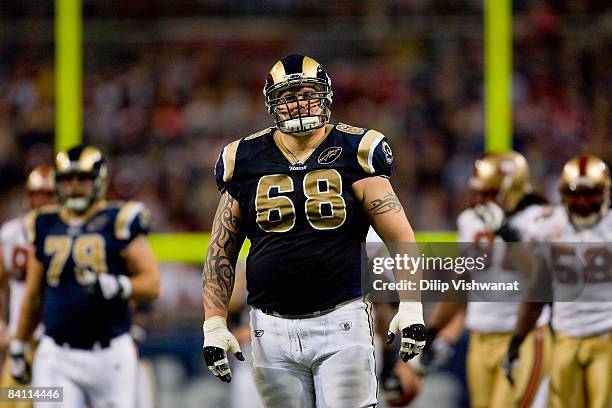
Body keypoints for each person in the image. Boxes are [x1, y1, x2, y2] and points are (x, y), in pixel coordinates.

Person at [201, 54, 425, 407]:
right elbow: (221, 250)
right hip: (268, 328)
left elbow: (399, 236)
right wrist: (214, 323)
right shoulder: (242, 158)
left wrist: (411, 305)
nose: (300, 103)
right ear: (273, 104)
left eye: (307, 93)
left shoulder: (358, 150)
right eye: (289, 97)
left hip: (342, 322)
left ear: (325, 96)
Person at [10, 145, 161, 408]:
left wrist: (117, 285)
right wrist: (19, 345)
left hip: (109, 354)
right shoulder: (44, 223)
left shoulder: (119, 220)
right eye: (68, 179)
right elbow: (34, 296)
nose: (75, 186)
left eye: (82, 179)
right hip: (56, 354)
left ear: (99, 181)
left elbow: (152, 283)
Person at [425, 151, 551, 408]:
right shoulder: (470, 221)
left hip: (523, 337)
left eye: (489, 193)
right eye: (478, 191)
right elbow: (461, 281)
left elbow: (540, 278)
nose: (480, 200)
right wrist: (433, 330)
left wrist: (508, 234)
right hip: (480, 337)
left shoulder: (538, 218)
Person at [503, 154, 612, 408]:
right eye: (576, 194)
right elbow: (538, 288)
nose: (583, 203)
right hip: (564, 336)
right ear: (563, 193)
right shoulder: (548, 225)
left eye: (591, 194)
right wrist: (518, 339)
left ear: (606, 192)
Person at [0, 165, 56, 408]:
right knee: (9, 400)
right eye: (37, 193)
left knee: (51, 400)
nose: (42, 200)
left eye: (48, 194)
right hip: (20, 342)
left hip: (54, 343)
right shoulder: (12, 233)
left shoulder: (66, 235)